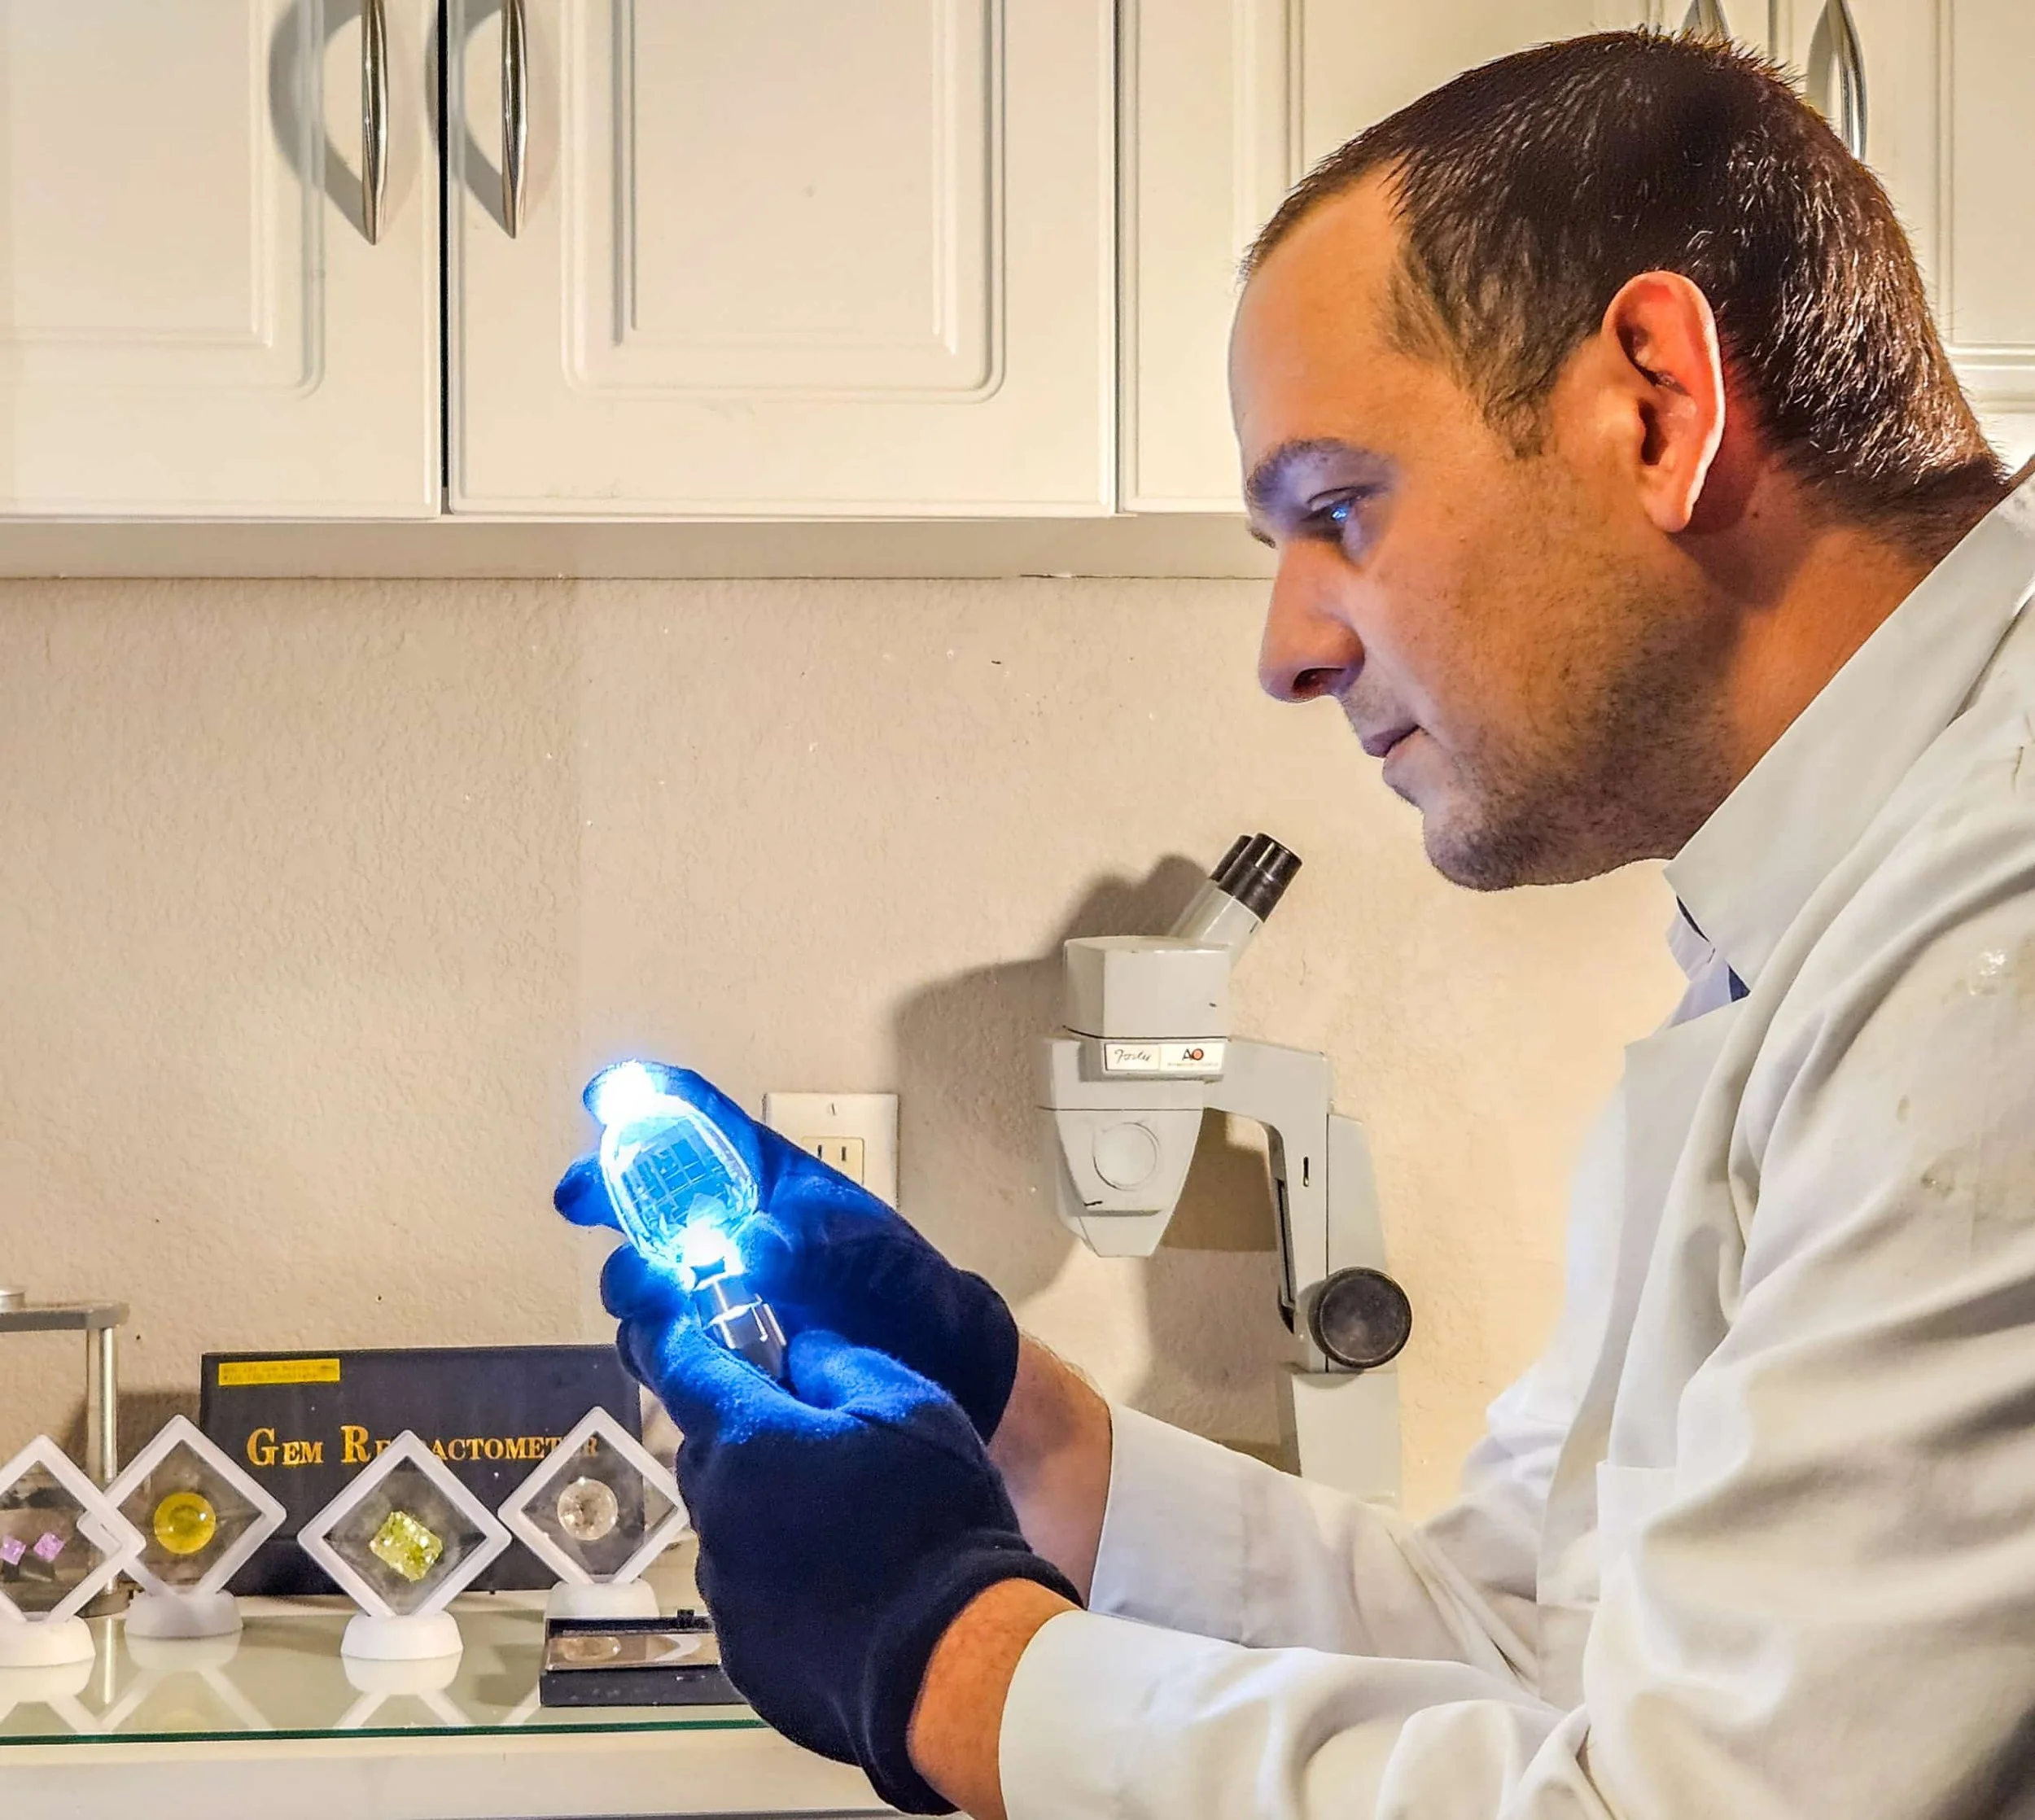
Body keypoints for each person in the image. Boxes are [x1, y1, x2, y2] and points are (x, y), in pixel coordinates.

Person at [557, 30, 2035, 1819]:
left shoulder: (1991, 934)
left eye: (1336, 507)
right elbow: (1524, 1631)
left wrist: (944, 1663)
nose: (1287, 648)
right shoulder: (1817, 907)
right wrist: (1012, 1413)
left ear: (1651, 399)